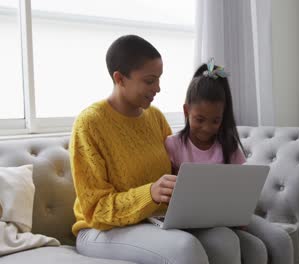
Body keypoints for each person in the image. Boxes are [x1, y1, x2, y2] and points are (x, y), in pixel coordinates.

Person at [70, 35, 255, 264]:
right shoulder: (90, 124)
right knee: (185, 248)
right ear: (120, 79)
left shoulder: (155, 117)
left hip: (154, 220)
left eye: (159, 79)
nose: (158, 88)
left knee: (224, 240)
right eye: (149, 81)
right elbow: (96, 210)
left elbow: (176, 173)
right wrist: (149, 193)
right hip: (100, 229)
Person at [164, 59, 294, 264]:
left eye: (215, 121)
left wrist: (241, 214)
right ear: (186, 111)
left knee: (281, 240)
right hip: (195, 222)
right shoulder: (173, 145)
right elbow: (170, 198)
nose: (207, 128)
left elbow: (241, 189)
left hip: (230, 217)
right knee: (248, 247)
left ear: (223, 118)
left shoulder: (227, 145)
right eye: (199, 119)